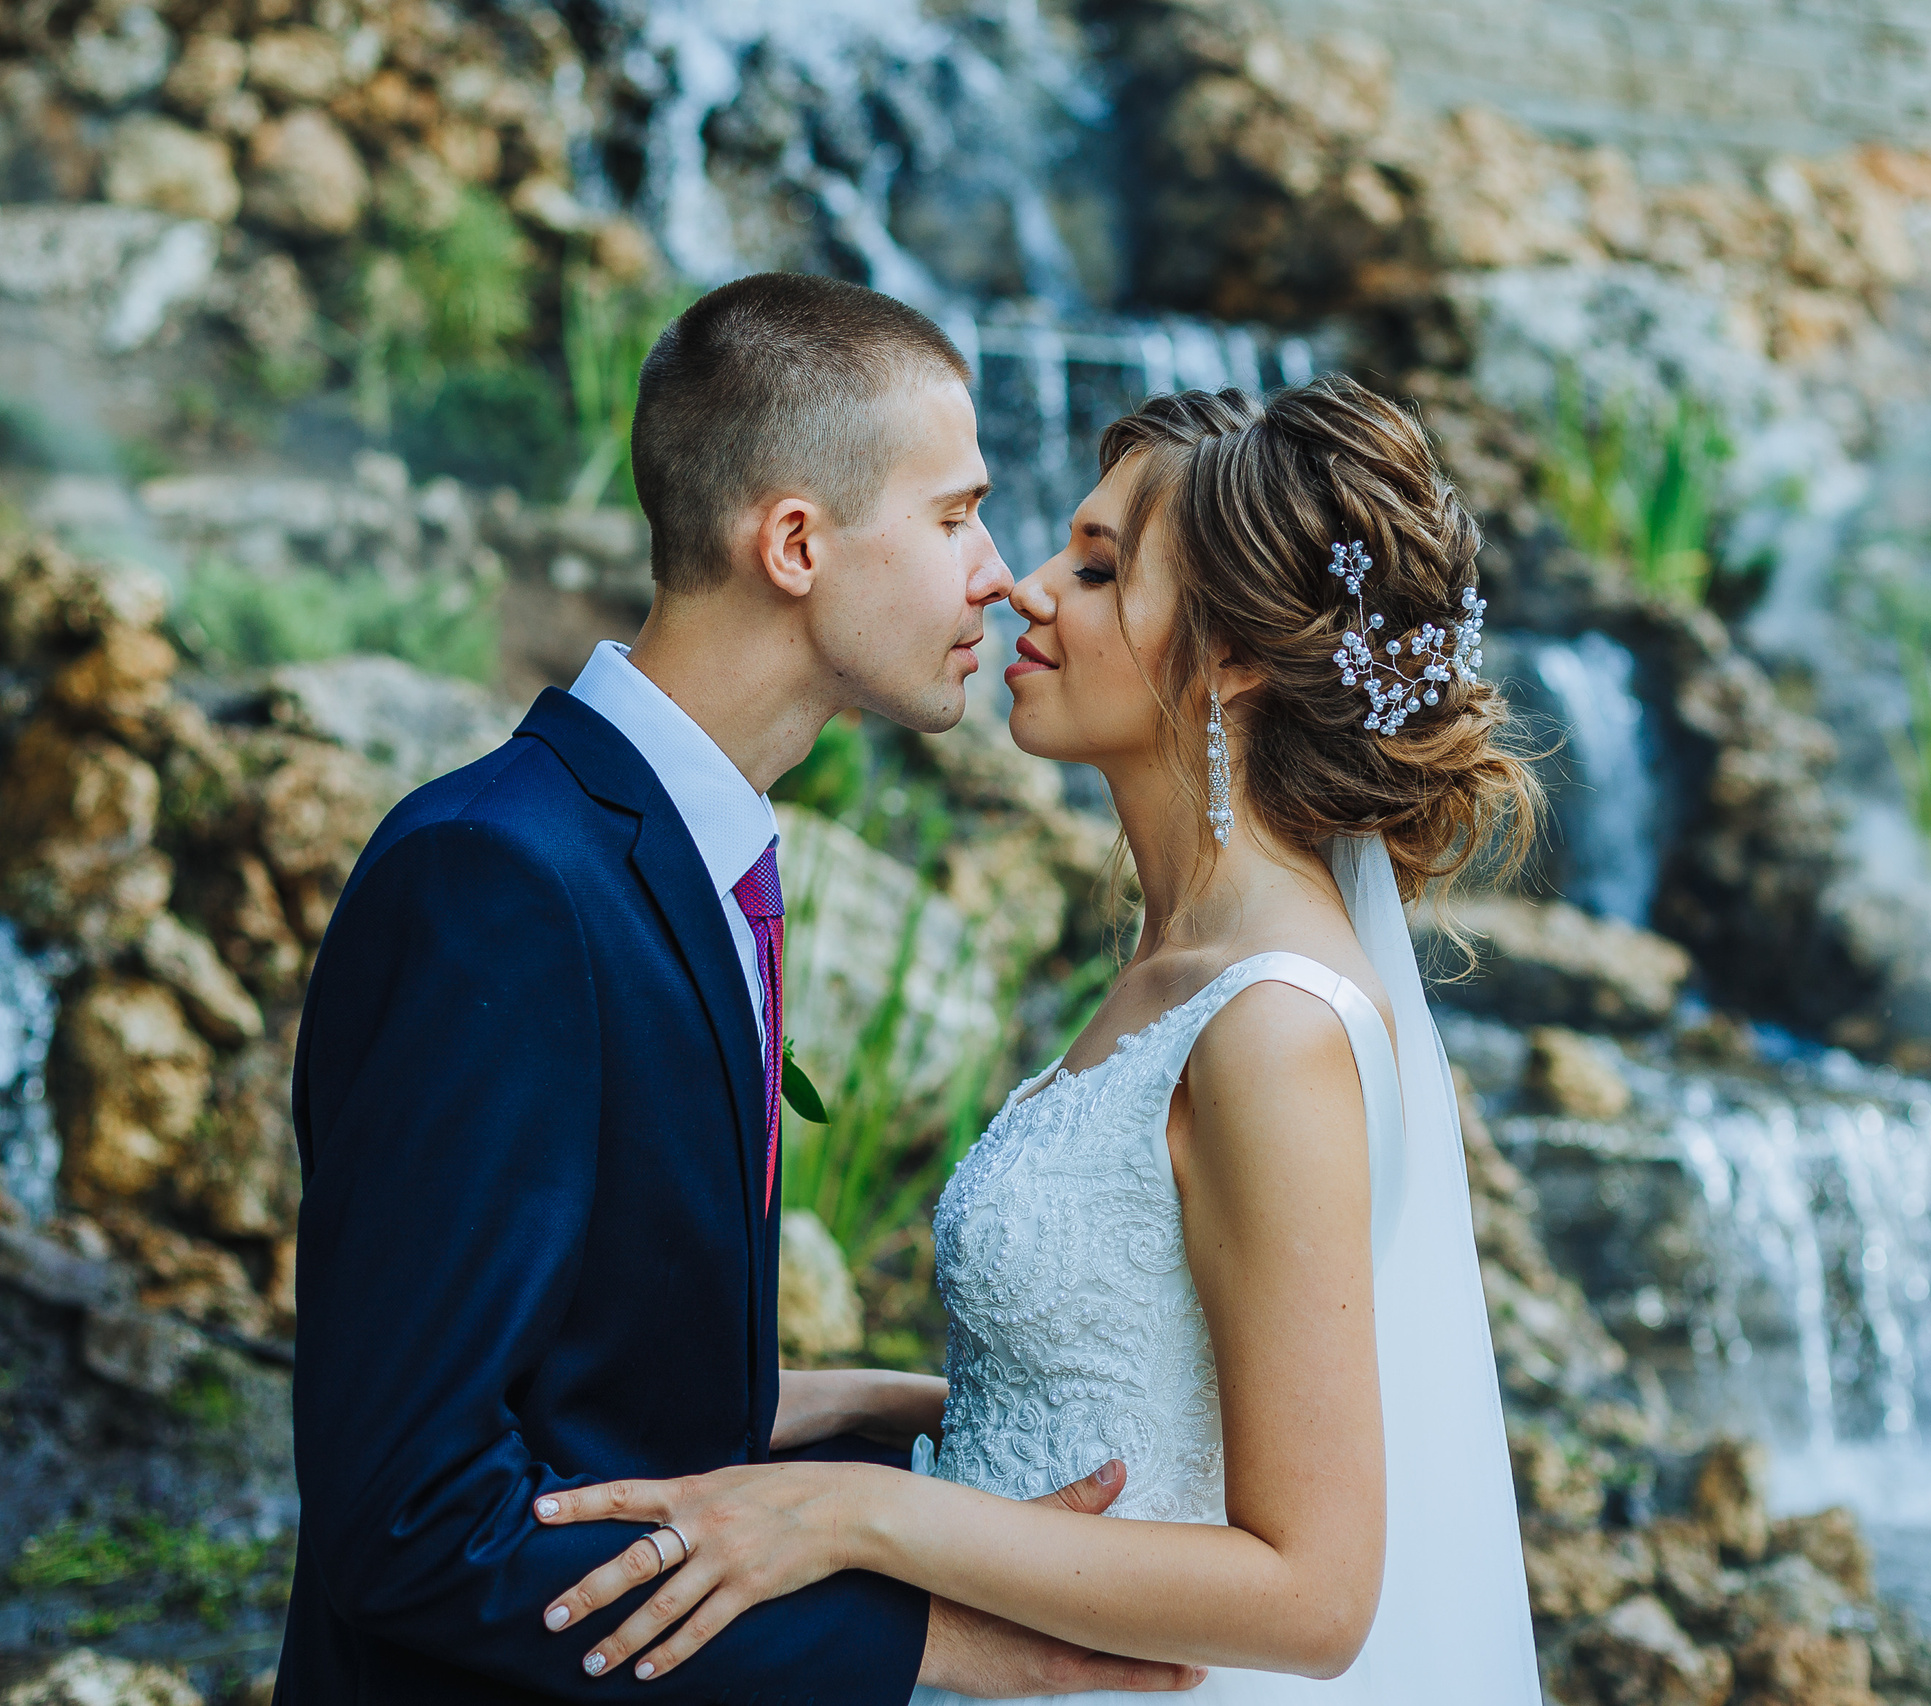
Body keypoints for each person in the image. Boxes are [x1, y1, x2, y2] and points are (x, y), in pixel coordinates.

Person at [528, 377, 1547, 1701]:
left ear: (1235, 653)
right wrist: (870, 1401)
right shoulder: (1175, 969)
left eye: (1101, 566)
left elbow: (1315, 1593)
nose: (1025, 589)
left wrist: (848, 1515)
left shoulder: (1275, 1023)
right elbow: (1138, 1374)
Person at [277, 273, 1204, 1704]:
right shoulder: (497, 887)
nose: (997, 575)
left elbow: (609, 1395)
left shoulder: (693, 863)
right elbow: (407, 1519)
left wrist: (961, 1422)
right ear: (793, 542)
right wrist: (939, 1640)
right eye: (956, 515)